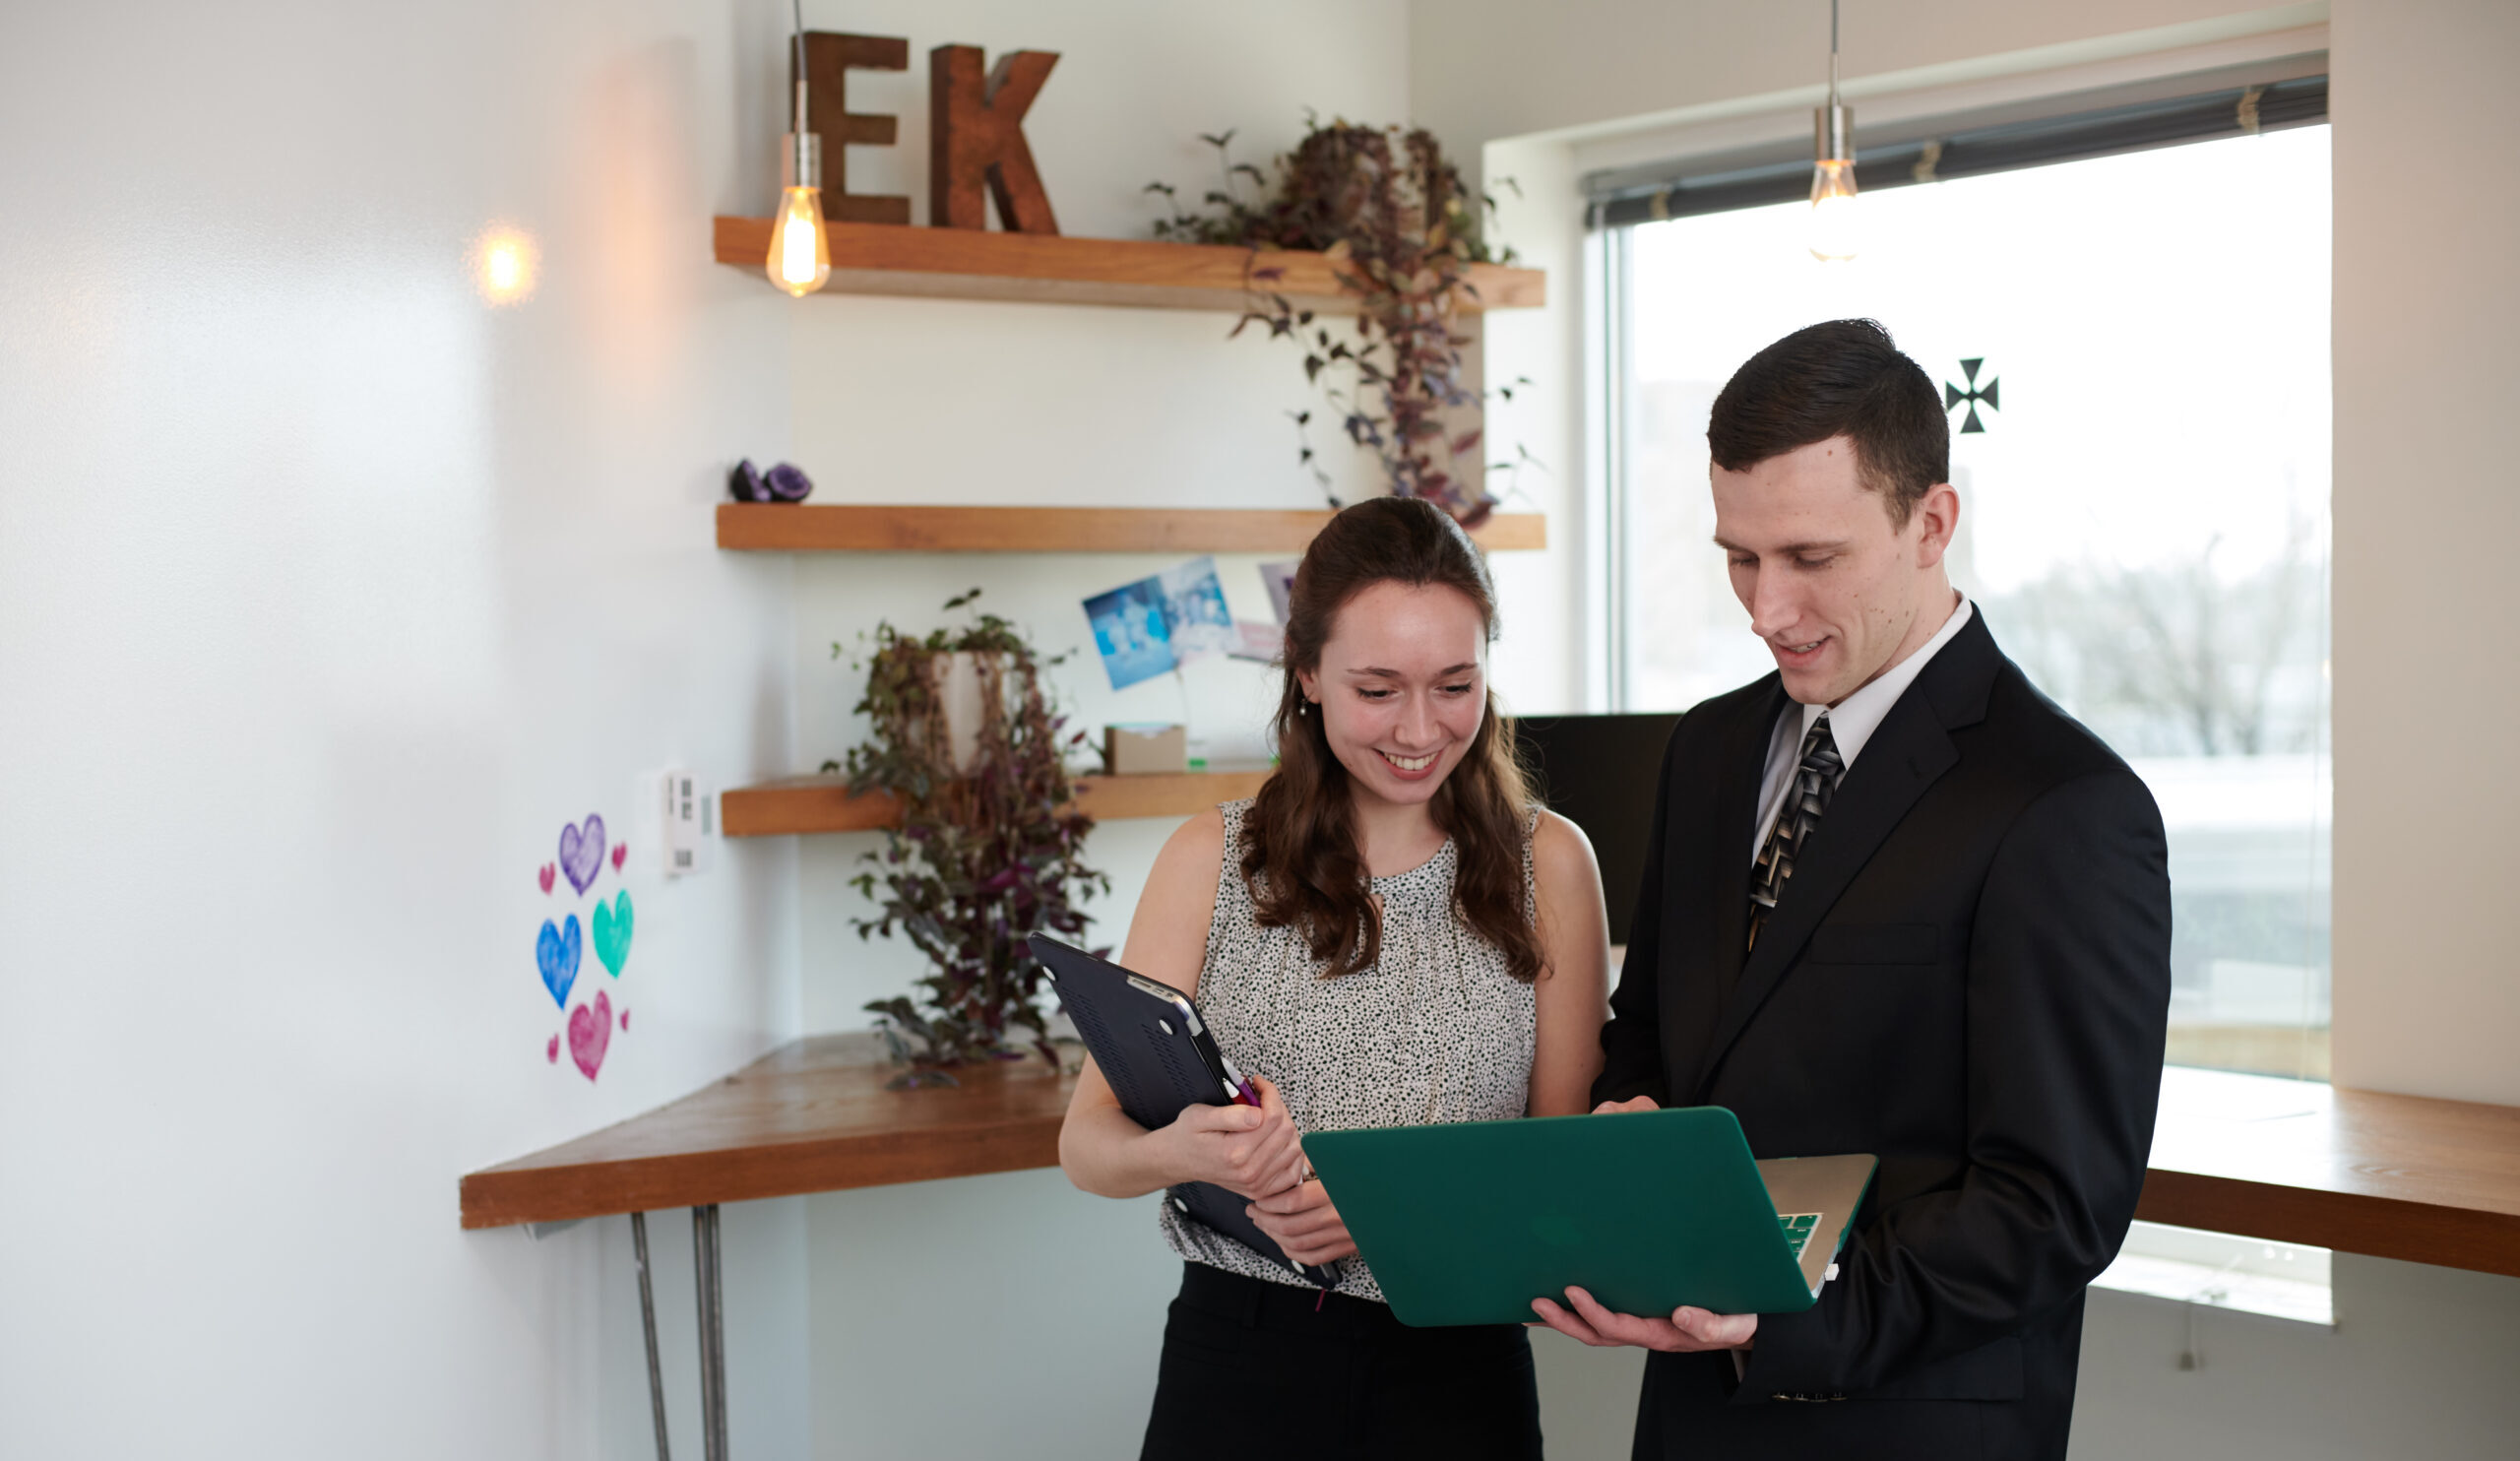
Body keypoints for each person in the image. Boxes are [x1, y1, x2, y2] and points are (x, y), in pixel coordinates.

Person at [1529, 319, 2172, 1460]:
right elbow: (1655, 1037)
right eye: (1739, 556)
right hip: (1691, 1414)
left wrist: (1778, 1314)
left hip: (1909, 1421)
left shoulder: (2064, 804)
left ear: (1932, 522)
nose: (1765, 608)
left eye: (1810, 558)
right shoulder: (1708, 749)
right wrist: (1631, 1130)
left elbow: (2052, 1205)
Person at [1058, 495, 1613, 1460]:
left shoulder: (1550, 863)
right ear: (1307, 672)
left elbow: (1558, 1175)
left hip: (1459, 1367)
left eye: (1455, 684)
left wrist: (1390, 1210)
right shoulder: (1209, 859)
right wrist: (1188, 1151)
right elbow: (1086, 1145)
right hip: (1240, 1359)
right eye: (1377, 688)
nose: (1419, 727)